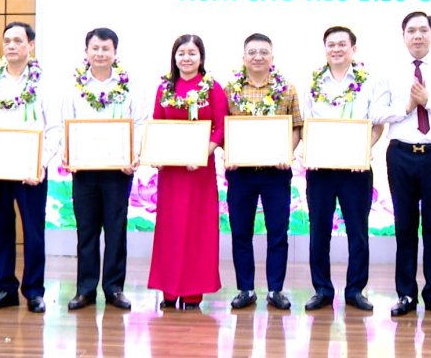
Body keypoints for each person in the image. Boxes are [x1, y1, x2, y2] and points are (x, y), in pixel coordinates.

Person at [372, 11, 431, 318]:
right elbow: (376, 113)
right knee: (405, 225)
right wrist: (407, 107)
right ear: (403, 36)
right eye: (411, 30)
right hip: (400, 155)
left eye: (423, 30)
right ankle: (406, 294)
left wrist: (429, 102)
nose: (417, 36)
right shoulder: (388, 70)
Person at [0, 22, 60, 314]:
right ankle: (5, 289)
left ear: (30, 46)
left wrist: (41, 163)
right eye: (7, 40)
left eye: (18, 41)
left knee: (33, 231)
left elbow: (55, 128)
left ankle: (34, 291)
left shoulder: (44, 82)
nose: (11, 46)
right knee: (1, 228)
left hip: (30, 170)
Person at [62, 28, 145, 311]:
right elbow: (65, 124)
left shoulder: (130, 88)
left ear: (115, 53)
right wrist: (67, 153)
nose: (100, 53)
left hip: (118, 171)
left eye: (105, 48)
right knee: (86, 231)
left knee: (115, 229)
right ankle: (85, 289)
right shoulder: (73, 88)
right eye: (95, 48)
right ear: (86, 52)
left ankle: (114, 288)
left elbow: (140, 123)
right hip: (84, 171)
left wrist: (134, 154)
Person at [302, 26, 384, 312]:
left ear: (353, 49)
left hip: (356, 171)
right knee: (319, 231)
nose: (336, 49)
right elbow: (307, 125)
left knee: (358, 232)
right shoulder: (313, 83)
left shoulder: (369, 83)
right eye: (331, 45)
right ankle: (322, 290)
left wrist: (363, 151)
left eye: (342, 44)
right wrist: (310, 152)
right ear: (325, 49)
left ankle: (355, 290)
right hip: (320, 171)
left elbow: (378, 125)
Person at [224, 33, 303, 311]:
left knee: (278, 233)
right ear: (244, 57)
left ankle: (275, 290)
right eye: (252, 52)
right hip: (241, 174)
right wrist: (229, 153)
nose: (258, 56)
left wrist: (287, 153)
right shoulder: (230, 90)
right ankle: (245, 289)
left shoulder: (287, 89)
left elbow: (297, 127)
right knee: (241, 233)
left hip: (275, 174)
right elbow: (223, 128)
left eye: (264, 52)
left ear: (272, 57)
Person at [149, 34, 227, 310]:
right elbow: (157, 124)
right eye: (181, 53)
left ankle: (193, 293)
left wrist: (203, 152)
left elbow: (221, 126)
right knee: (170, 229)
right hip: (171, 173)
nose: (186, 58)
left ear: (201, 58)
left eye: (192, 53)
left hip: (199, 173)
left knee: (197, 230)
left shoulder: (212, 88)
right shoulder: (165, 88)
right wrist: (156, 155)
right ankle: (169, 291)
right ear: (174, 57)